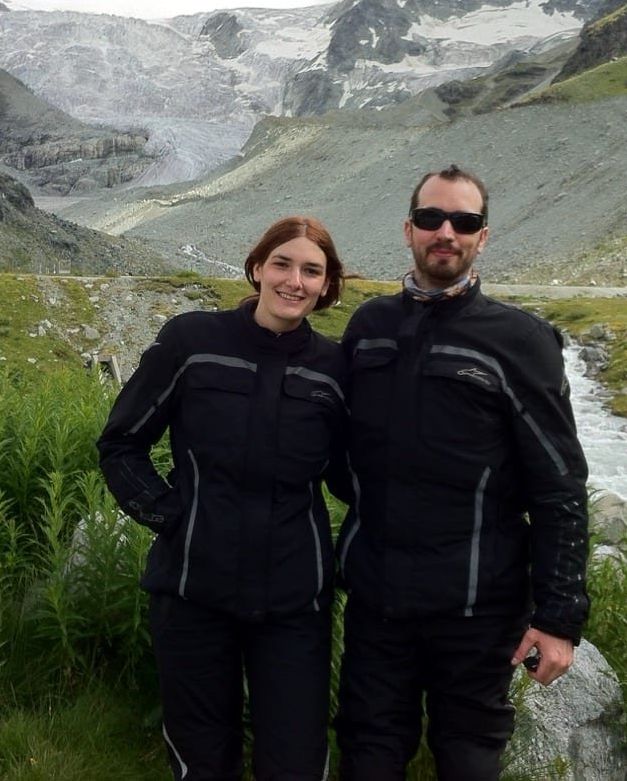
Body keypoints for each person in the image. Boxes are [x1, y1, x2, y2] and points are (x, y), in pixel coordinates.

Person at [334, 165, 590, 780]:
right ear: (409, 229)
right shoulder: (369, 328)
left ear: (483, 237)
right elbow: (341, 452)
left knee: (469, 760)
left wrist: (559, 618)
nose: (445, 232)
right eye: (431, 218)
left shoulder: (522, 339)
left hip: (478, 608)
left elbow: (559, 484)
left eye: (464, 221)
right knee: (367, 753)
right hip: (377, 601)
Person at [98, 216, 349, 781]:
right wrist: (169, 516)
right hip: (193, 590)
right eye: (282, 264)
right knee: (202, 759)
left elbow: (352, 476)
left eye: (311, 271)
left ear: (326, 285)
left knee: (296, 761)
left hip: (294, 599)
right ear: (257, 268)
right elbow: (121, 444)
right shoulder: (191, 342)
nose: (294, 281)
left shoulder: (334, 369)